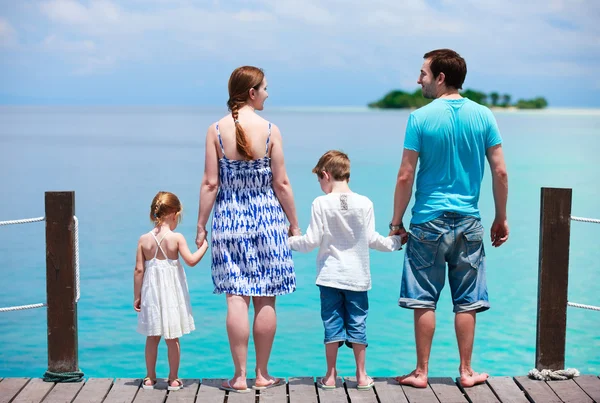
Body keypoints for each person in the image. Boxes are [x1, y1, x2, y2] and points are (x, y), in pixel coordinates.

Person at [389, 49, 509, 388]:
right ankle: (467, 372)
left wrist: (396, 223)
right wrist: (501, 217)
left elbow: (405, 175)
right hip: (469, 221)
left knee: (424, 298)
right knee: (467, 301)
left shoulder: (420, 118)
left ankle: (421, 372)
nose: (418, 79)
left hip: (427, 220)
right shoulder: (484, 116)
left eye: (423, 73)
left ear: (441, 77)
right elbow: (500, 171)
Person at [195, 66, 300, 393]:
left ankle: (239, 377)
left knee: (236, 298)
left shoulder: (215, 129)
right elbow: (281, 184)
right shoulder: (270, 130)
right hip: (267, 219)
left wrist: (200, 225)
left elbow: (211, 183)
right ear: (252, 93)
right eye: (265, 88)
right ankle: (262, 374)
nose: (268, 93)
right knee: (265, 297)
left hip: (228, 219)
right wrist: (294, 224)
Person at [289, 150, 402, 390]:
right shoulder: (365, 203)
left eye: (319, 180)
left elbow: (310, 242)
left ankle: (330, 376)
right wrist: (397, 242)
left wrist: (287, 241)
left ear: (325, 174)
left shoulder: (321, 203)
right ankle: (361, 376)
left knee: (332, 324)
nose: (320, 185)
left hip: (330, 277)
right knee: (358, 323)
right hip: (358, 278)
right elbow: (373, 239)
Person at [134, 191, 209, 391]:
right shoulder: (176, 238)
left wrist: (137, 296)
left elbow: (139, 270)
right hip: (171, 296)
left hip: (151, 294)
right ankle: (173, 379)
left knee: (152, 336)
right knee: (172, 337)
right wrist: (205, 246)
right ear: (174, 213)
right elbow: (191, 261)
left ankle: (150, 378)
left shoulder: (144, 239)